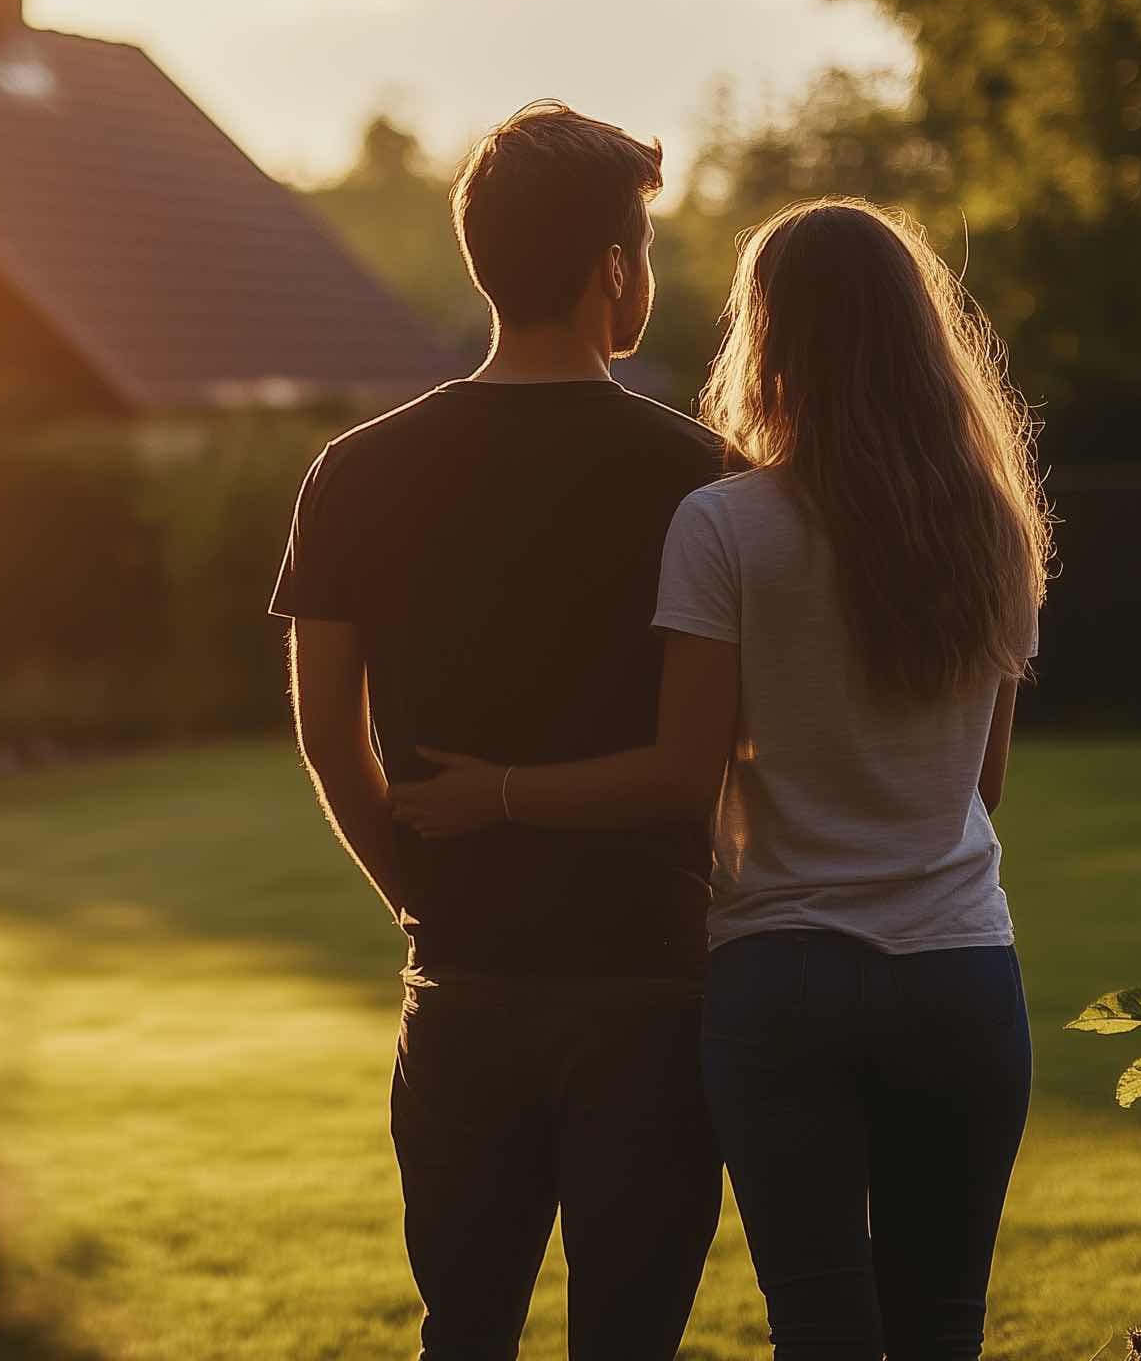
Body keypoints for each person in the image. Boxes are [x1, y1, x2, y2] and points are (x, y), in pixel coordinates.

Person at [395, 196, 1053, 1361]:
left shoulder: (724, 524)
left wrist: (494, 790)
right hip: (960, 974)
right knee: (943, 1324)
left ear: (771, 335)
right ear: (917, 334)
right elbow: (981, 785)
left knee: (819, 1323)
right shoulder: (994, 529)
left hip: (782, 976)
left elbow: (678, 778)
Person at [273, 101, 729, 1360]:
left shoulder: (353, 471)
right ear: (612, 273)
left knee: (459, 1336)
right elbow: (726, 753)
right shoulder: (704, 478)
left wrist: (418, 895)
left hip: (462, 982)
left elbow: (325, 735)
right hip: (649, 985)